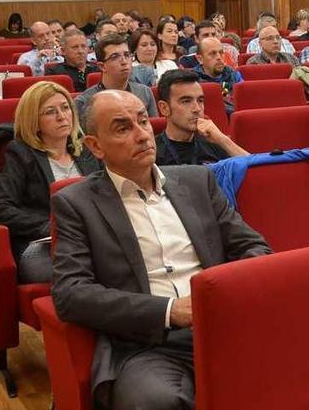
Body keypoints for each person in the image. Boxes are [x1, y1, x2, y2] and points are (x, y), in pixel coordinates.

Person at [51, 88, 271, 409]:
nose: (142, 135)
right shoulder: (76, 203)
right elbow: (70, 293)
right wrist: (170, 311)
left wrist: (225, 296)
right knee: (154, 402)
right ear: (95, 146)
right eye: (123, 128)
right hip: (147, 343)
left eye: (142, 121)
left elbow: (253, 247)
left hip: (226, 326)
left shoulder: (197, 181)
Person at [0, 81, 101, 284]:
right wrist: (49, 226)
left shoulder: (85, 150)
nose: (62, 116)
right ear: (34, 120)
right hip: (43, 246)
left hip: (91, 239)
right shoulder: (21, 153)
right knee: (96, 270)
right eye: (50, 112)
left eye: (65, 108)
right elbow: (0, 208)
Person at [155, 70, 247, 166]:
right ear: (164, 108)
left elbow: (254, 171)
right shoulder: (152, 152)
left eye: (200, 100)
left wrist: (223, 140)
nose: (197, 109)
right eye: (186, 101)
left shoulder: (215, 142)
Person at [75, 34, 158, 121]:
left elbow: (153, 130)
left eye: (127, 55)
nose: (124, 61)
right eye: (115, 57)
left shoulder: (145, 92)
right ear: (102, 66)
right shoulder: (84, 102)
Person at [193, 37, 243, 113]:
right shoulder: (192, 80)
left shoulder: (233, 75)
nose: (219, 57)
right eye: (212, 53)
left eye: (221, 52)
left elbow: (243, 102)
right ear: (200, 59)